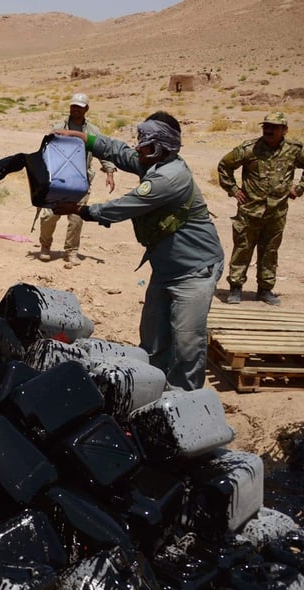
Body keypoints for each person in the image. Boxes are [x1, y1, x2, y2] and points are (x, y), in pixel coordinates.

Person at [52, 111, 224, 391]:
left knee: (186, 344)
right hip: (166, 270)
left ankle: (185, 401)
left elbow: (122, 207)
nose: (137, 147)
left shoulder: (168, 178)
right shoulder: (153, 163)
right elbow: (119, 152)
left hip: (194, 272)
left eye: (144, 142)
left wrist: (79, 209)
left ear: (159, 147)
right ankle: (154, 388)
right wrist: (84, 138)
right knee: (153, 339)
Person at [217, 111, 304, 306]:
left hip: (277, 213)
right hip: (249, 212)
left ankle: (265, 290)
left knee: (270, 251)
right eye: (266, 126)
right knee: (242, 249)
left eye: (274, 127)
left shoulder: (295, 150)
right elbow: (225, 165)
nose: (269, 130)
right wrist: (233, 189)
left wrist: (299, 188)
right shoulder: (249, 149)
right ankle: (235, 288)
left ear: (284, 130)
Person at [37, 93, 117, 264]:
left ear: (86, 109)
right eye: (73, 107)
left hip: (81, 181)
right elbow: (46, 152)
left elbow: (103, 152)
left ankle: (71, 252)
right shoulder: (58, 127)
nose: (75, 110)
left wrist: (109, 172)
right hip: (58, 180)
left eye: (79, 108)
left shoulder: (92, 131)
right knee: (49, 215)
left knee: (76, 218)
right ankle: (45, 246)